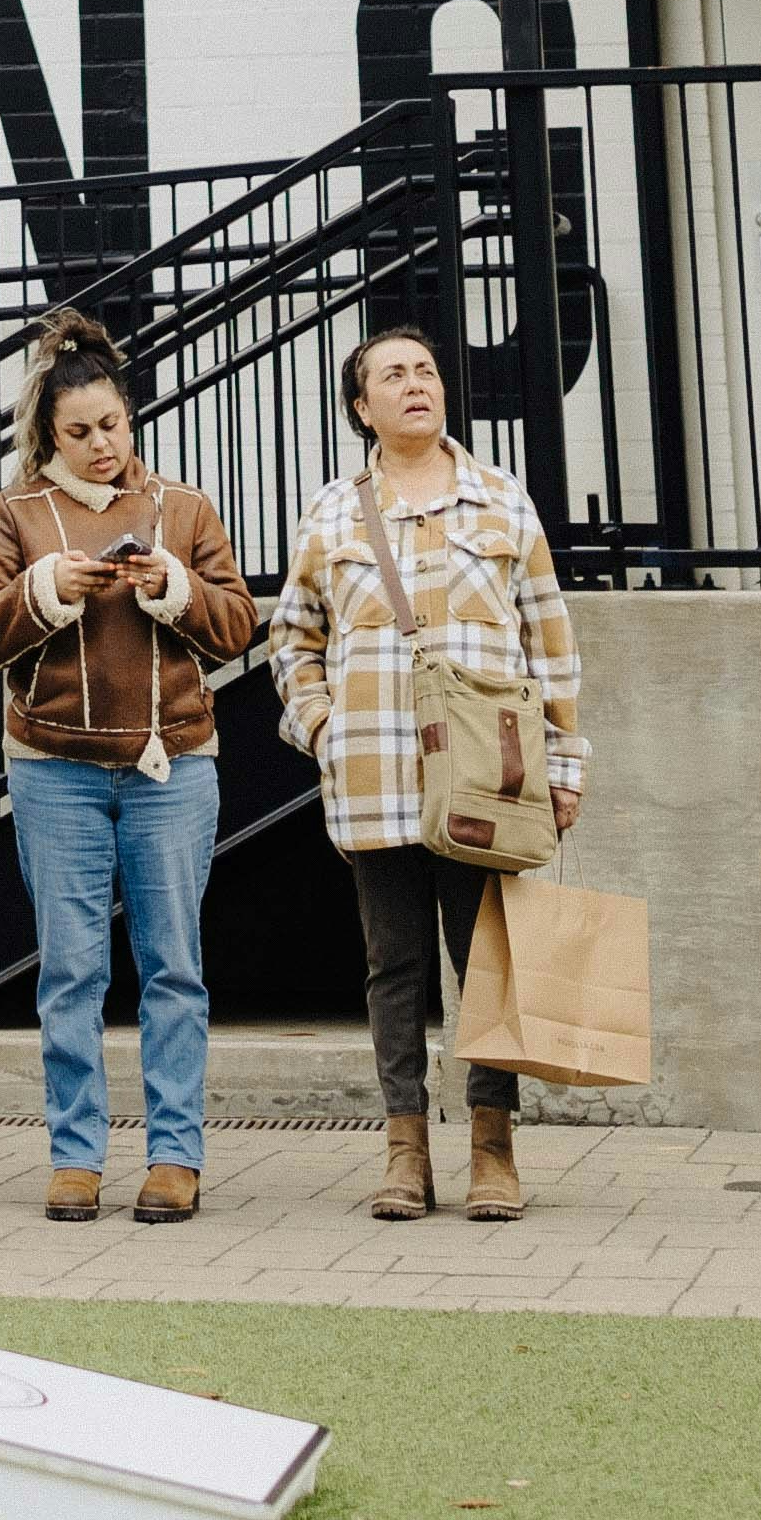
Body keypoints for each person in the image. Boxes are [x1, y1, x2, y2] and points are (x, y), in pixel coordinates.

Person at [267, 319, 586, 1225]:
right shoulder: (332, 514)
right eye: (392, 376)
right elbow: (291, 639)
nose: (416, 384)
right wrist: (323, 726)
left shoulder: (501, 500)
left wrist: (565, 762)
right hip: (373, 777)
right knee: (393, 966)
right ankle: (406, 1151)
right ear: (362, 409)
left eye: (427, 371)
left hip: (487, 777)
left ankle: (494, 1147)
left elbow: (550, 642)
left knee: (486, 961)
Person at [0, 310, 255, 1225]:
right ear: (49, 434)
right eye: (79, 432)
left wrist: (172, 585)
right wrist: (48, 590)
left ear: (132, 419)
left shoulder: (184, 508)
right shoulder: (14, 515)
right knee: (72, 971)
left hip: (174, 764)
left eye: (113, 427)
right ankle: (75, 1156)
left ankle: (176, 1157)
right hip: (53, 768)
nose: (101, 447)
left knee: (173, 967)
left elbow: (240, 623)